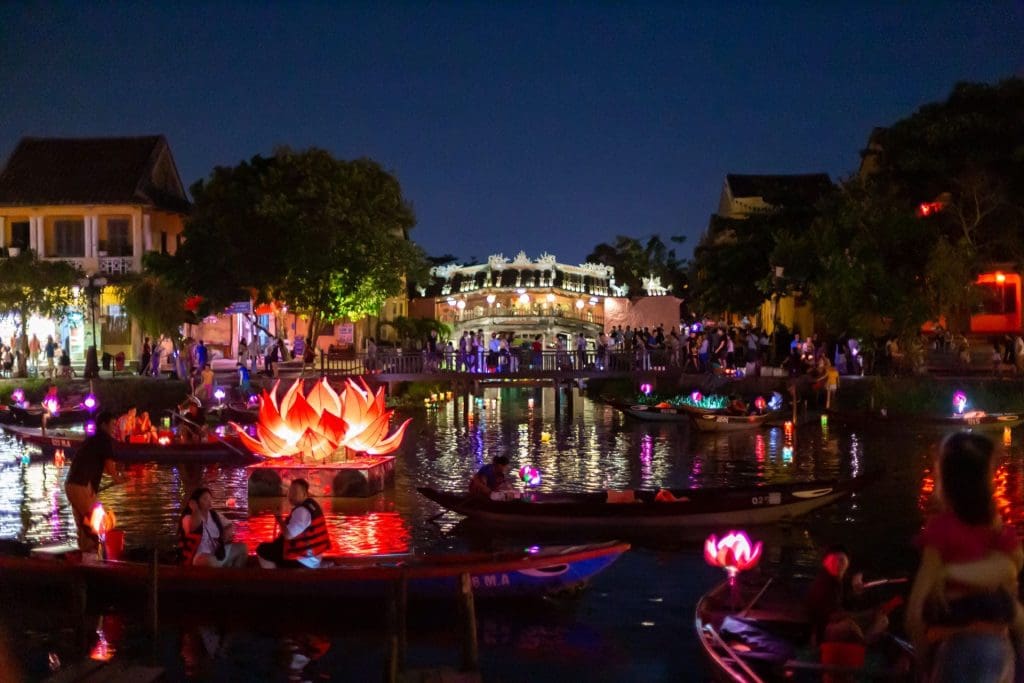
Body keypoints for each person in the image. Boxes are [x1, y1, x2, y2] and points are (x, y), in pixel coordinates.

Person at [906, 432, 1024, 681]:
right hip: (999, 650)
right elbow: (1014, 568)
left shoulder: (940, 531)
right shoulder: (998, 531)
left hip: (955, 650)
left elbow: (915, 614)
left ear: (945, 482)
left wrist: (923, 664)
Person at [63, 411, 127, 554]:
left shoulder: (91, 439)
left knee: (83, 524)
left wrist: (117, 474)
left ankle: (87, 557)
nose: (114, 428)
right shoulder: (105, 440)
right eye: (112, 424)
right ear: (103, 425)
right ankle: (95, 557)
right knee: (95, 522)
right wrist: (117, 477)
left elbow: (101, 467)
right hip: (82, 485)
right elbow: (110, 468)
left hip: (71, 484)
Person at [256, 479, 330, 569]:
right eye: (290, 492)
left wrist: (279, 518)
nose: (291, 496)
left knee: (262, 549)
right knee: (275, 546)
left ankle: (274, 577)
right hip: (313, 558)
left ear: (304, 494)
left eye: (295, 493)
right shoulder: (312, 505)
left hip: (303, 561)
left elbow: (288, 535)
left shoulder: (302, 511)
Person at [179, 487, 247, 567]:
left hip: (217, 553)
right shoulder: (188, 518)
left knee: (243, 547)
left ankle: (234, 574)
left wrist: (226, 532)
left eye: (210, 499)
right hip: (199, 556)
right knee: (209, 561)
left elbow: (230, 525)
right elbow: (194, 527)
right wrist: (195, 510)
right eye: (205, 499)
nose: (209, 502)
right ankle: (225, 568)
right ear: (196, 501)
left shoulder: (214, 515)